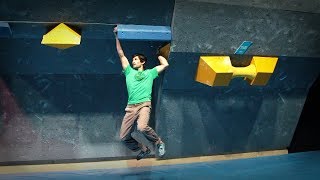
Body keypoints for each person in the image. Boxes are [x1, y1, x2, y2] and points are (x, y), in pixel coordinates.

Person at [113, 26, 169, 160]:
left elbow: (165, 64)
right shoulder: (129, 72)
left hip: (144, 104)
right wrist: (116, 36)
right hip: (131, 107)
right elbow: (121, 53)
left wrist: (159, 54)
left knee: (142, 127)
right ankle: (144, 149)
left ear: (143, 62)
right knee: (123, 137)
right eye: (133, 60)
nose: (133, 61)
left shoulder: (150, 73)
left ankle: (159, 143)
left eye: (136, 59)